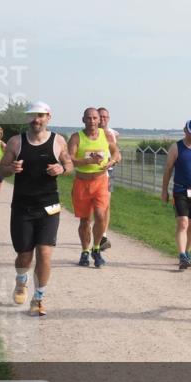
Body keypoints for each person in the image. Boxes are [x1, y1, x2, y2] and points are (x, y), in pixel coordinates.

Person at [0, 101, 73, 317]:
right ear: (27, 118)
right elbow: (1, 170)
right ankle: (21, 281)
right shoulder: (15, 142)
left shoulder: (58, 141)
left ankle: (38, 298)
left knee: (45, 253)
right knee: (24, 256)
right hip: (22, 205)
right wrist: (10, 168)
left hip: (49, 205)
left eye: (40, 115)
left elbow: (69, 165)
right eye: (32, 116)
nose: (36, 120)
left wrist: (62, 167)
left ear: (48, 117)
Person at [67, 107, 120, 268]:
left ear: (99, 120)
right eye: (88, 118)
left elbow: (116, 152)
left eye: (95, 118)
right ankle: (85, 251)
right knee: (84, 221)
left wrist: (112, 161)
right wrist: (88, 161)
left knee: (100, 215)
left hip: (100, 181)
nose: (92, 121)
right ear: (83, 120)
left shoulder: (106, 135)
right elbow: (71, 159)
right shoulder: (76, 137)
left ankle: (96, 249)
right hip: (82, 182)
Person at [161, 119, 191, 270]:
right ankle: (181, 256)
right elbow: (168, 170)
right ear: (185, 131)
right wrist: (164, 191)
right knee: (183, 223)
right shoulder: (176, 147)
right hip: (180, 191)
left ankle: (187, 254)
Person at [97, 107, 121, 250]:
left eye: (105, 116)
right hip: (93, 172)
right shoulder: (90, 134)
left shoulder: (113, 134)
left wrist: (115, 159)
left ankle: (103, 234)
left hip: (109, 172)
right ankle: (96, 232)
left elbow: (116, 152)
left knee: (106, 204)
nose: (103, 119)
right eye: (100, 116)